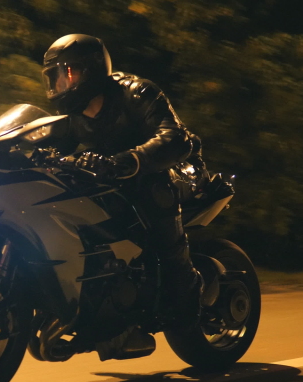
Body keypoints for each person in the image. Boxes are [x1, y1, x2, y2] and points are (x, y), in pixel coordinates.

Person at [41, 34, 205, 359]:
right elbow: (52, 148)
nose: (60, 84)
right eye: (54, 77)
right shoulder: (73, 117)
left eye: (67, 74)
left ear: (91, 70)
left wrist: (130, 160)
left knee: (156, 200)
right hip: (116, 177)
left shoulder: (136, 92)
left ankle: (186, 307)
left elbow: (175, 137)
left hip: (171, 167)